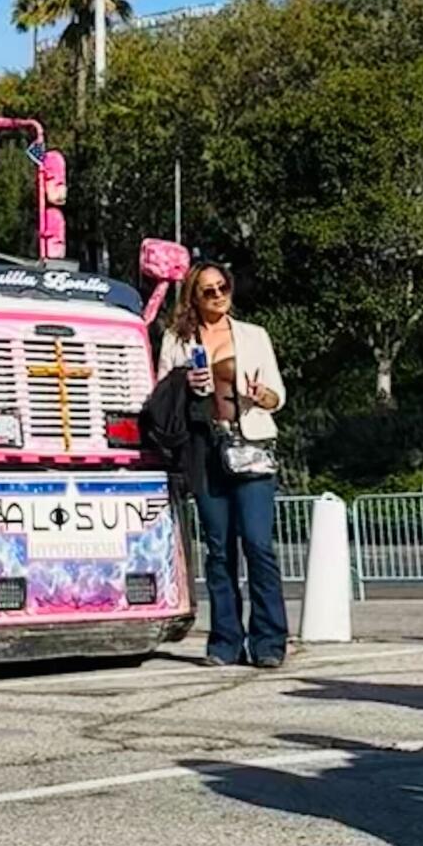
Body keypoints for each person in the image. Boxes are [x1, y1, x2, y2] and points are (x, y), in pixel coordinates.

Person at [157, 260, 289, 668]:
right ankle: (225, 640)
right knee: (218, 550)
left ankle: (269, 640)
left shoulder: (253, 336)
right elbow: (159, 395)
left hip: (248, 443)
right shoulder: (177, 339)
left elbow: (278, 396)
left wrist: (261, 393)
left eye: (223, 287)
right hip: (204, 447)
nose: (218, 296)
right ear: (194, 298)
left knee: (256, 543)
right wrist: (183, 381)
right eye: (208, 291)